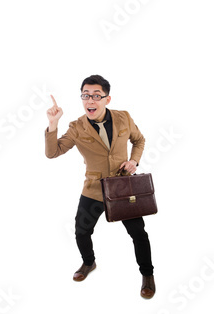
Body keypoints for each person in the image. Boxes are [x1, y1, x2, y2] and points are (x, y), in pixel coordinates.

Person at [44, 74, 155, 299]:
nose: (90, 101)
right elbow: (52, 152)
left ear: (107, 99)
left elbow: (139, 140)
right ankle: (88, 263)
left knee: (138, 233)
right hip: (94, 188)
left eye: (96, 96)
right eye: (85, 96)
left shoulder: (123, 118)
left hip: (124, 188)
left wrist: (134, 161)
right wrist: (53, 124)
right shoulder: (76, 127)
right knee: (81, 231)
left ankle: (148, 275)